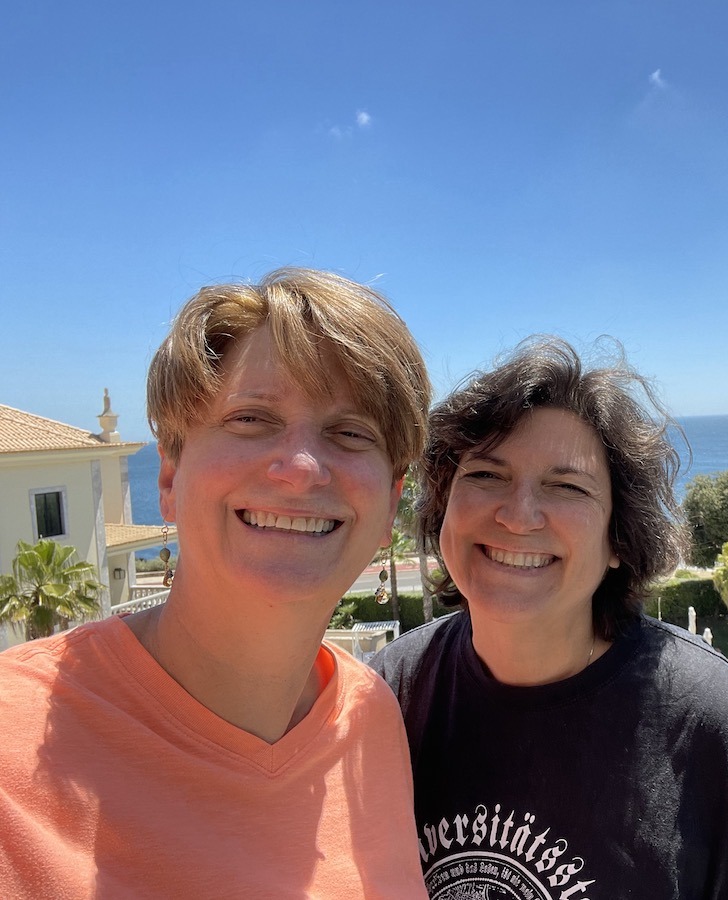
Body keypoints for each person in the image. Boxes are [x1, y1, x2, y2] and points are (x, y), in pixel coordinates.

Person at [371, 338, 728, 899]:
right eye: (486, 475)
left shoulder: (713, 724)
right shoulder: (388, 698)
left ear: (617, 538)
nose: (518, 515)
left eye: (566, 486)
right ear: (444, 504)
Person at [0, 269, 432, 898]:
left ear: (391, 502)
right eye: (251, 419)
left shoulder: (371, 719)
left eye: (350, 433)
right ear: (170, 479)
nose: (302, 468)